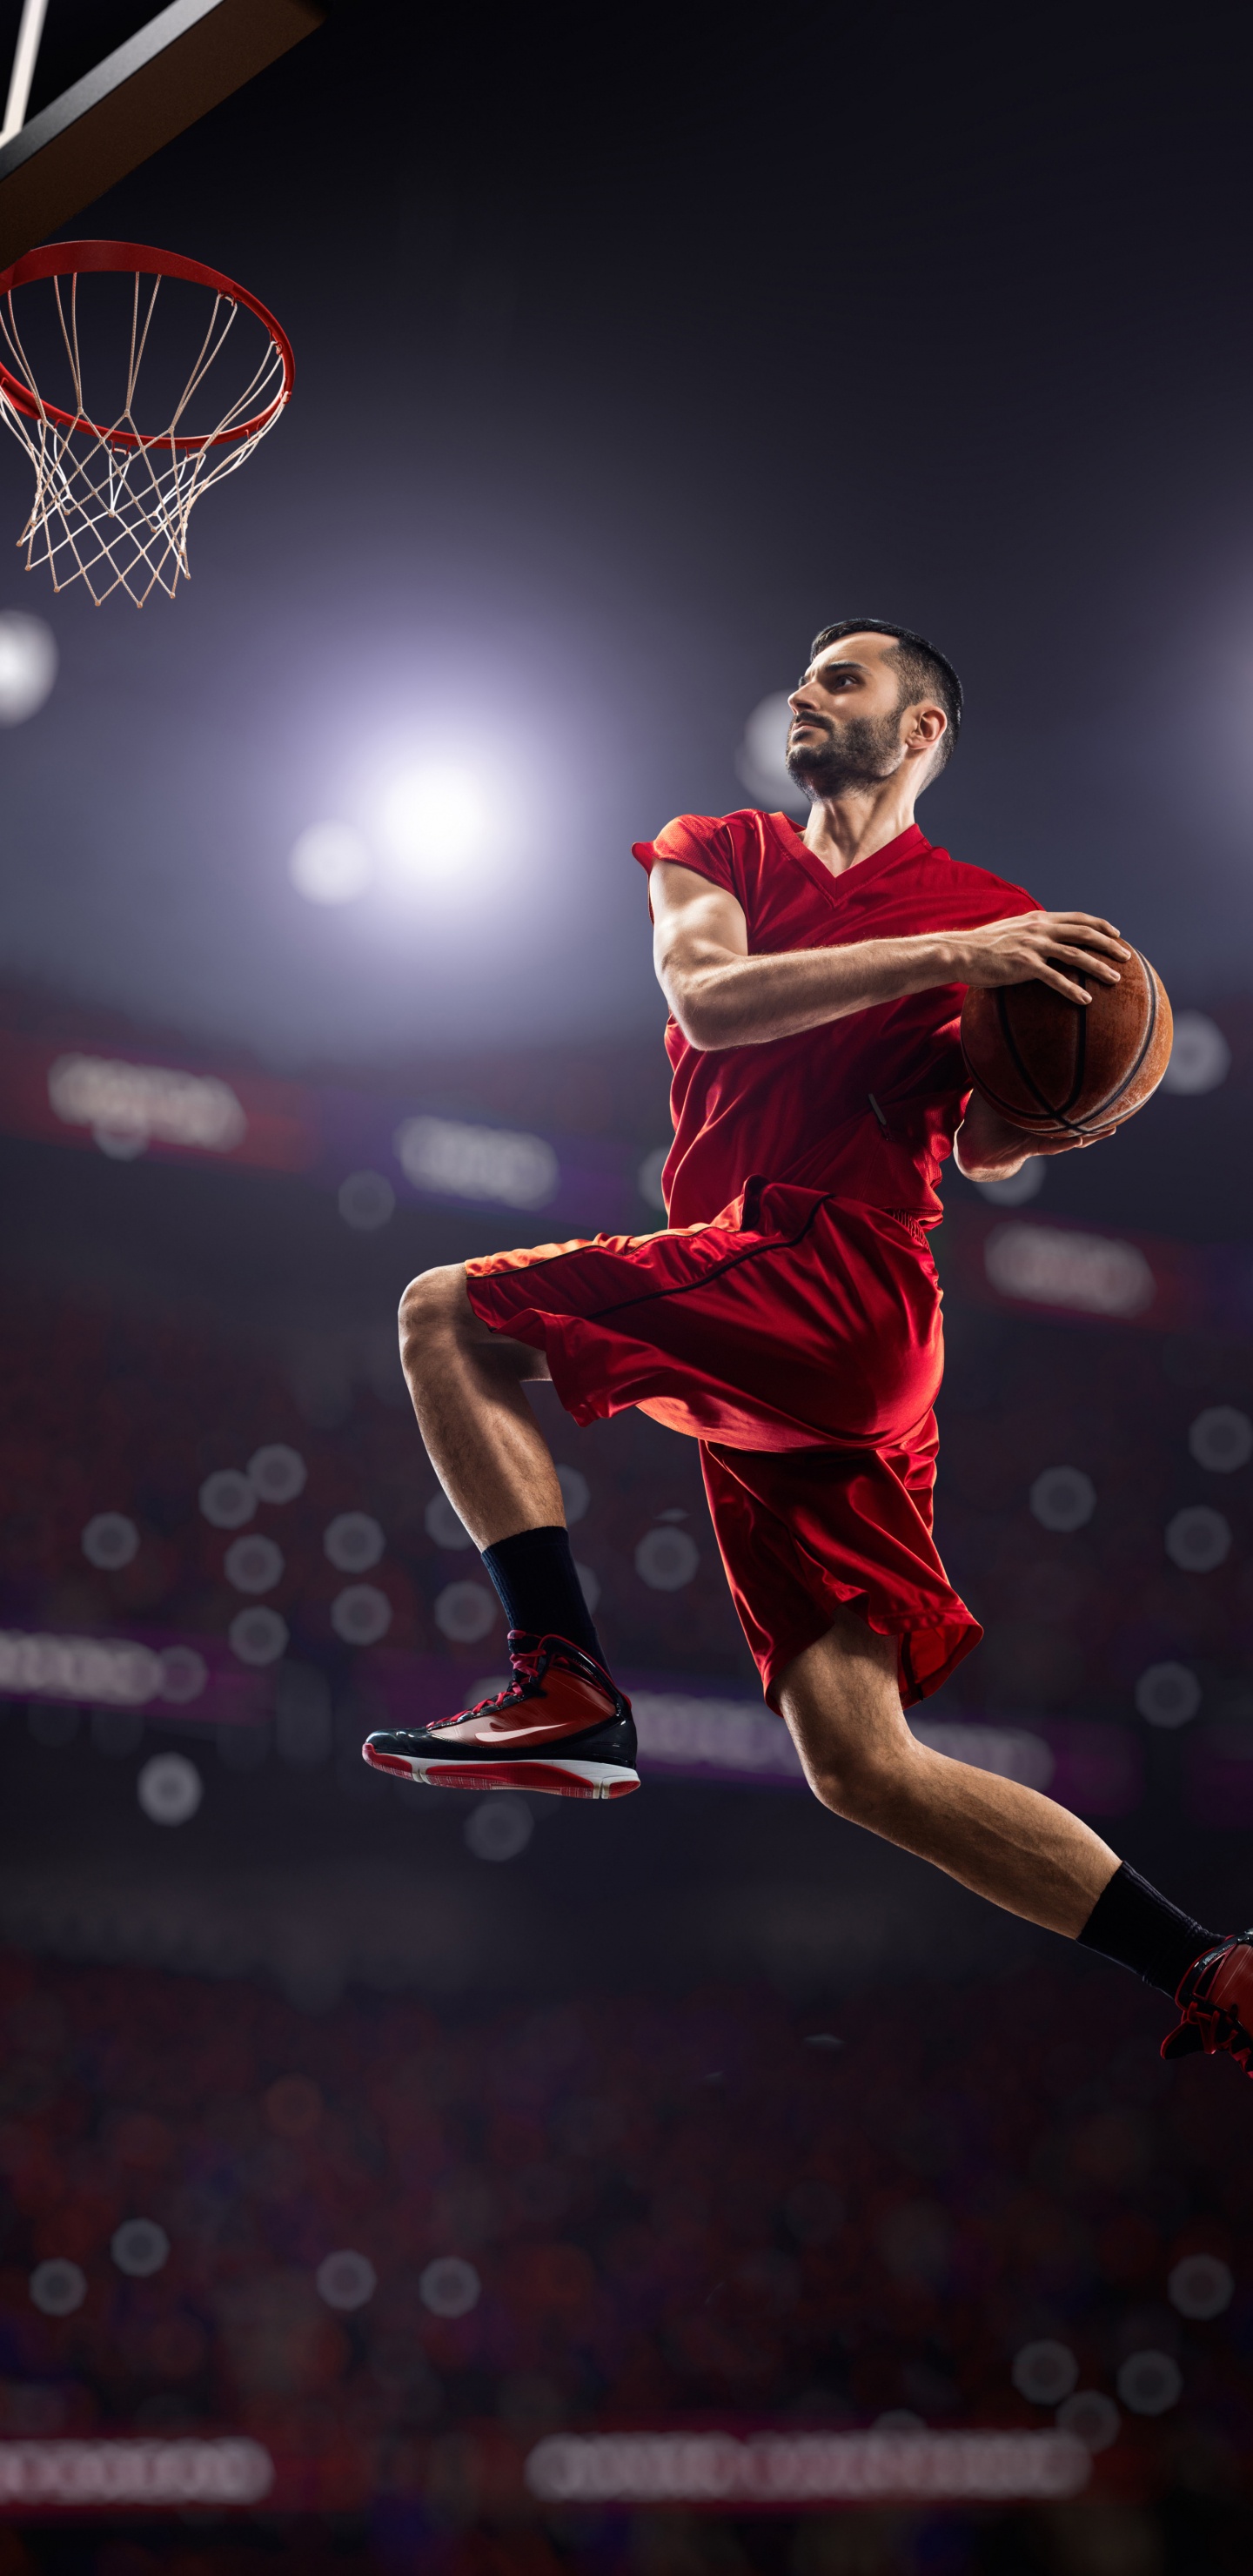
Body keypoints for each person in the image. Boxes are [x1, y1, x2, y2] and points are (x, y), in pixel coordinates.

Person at [363, 618, 1253, 2076]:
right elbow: (706, 1001)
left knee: (444, 1312)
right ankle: (1208, 1963)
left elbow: (993, 1152)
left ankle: (561, 1672)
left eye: (844, 676)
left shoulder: (994, 912)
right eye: (805, 674)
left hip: (835, 1270)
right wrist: (962, 956)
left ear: (920, 733)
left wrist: (1069, 1092)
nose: (807, 692)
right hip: (802, 1328)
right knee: (861, 1766)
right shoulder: (719, 850)